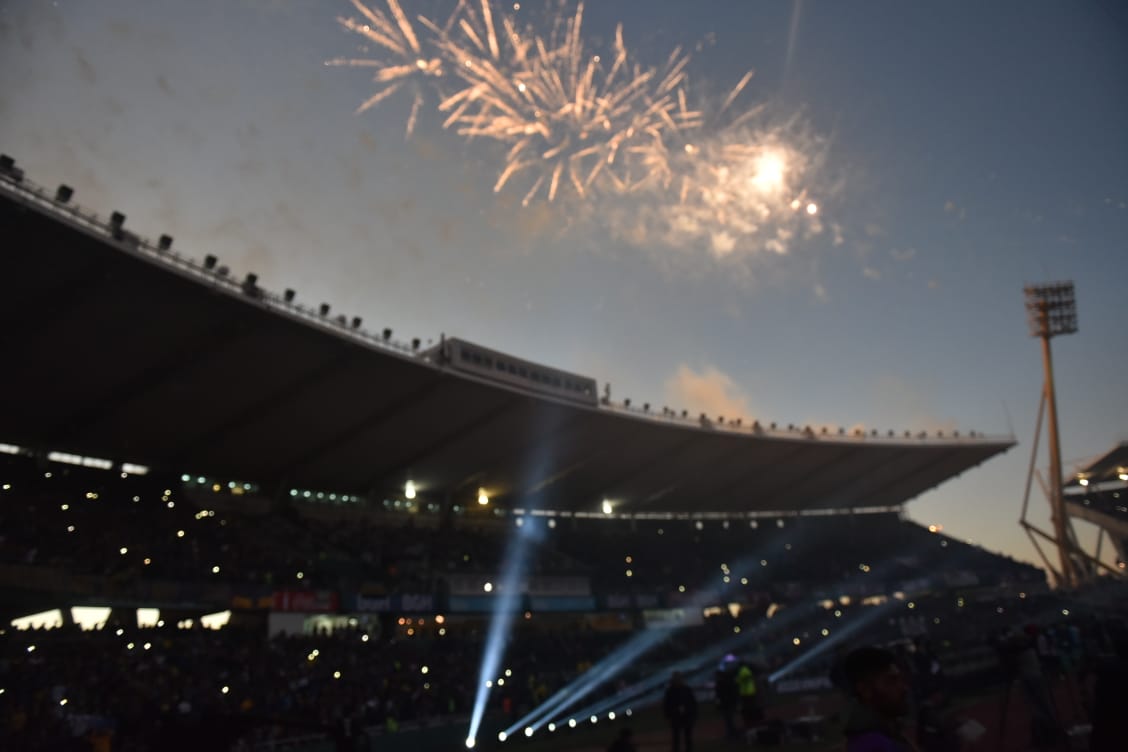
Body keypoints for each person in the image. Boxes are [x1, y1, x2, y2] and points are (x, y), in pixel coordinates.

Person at [838, 646, 918, 752]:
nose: (904, 688)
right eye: (891, 681)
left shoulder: (888, 733)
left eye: (900, 679)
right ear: (865, 690)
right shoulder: (872, 746)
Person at [663, 671, 697, 752]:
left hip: (686, 716)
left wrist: (693, 714)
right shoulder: (670, 691)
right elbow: (667, 704)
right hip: (676, 717)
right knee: (676, 738)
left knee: (687, 737)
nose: (678, 680)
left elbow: (692, 702)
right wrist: (669, 715)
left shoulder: (686, 689)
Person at [714, 656, 740, 741]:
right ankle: (733, 734)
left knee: (729, 720)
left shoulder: (722, 683)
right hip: (728, 703)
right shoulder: (728, 681)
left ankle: (732, 734)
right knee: (729, 719)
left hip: (726, 703)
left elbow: (720, 695)